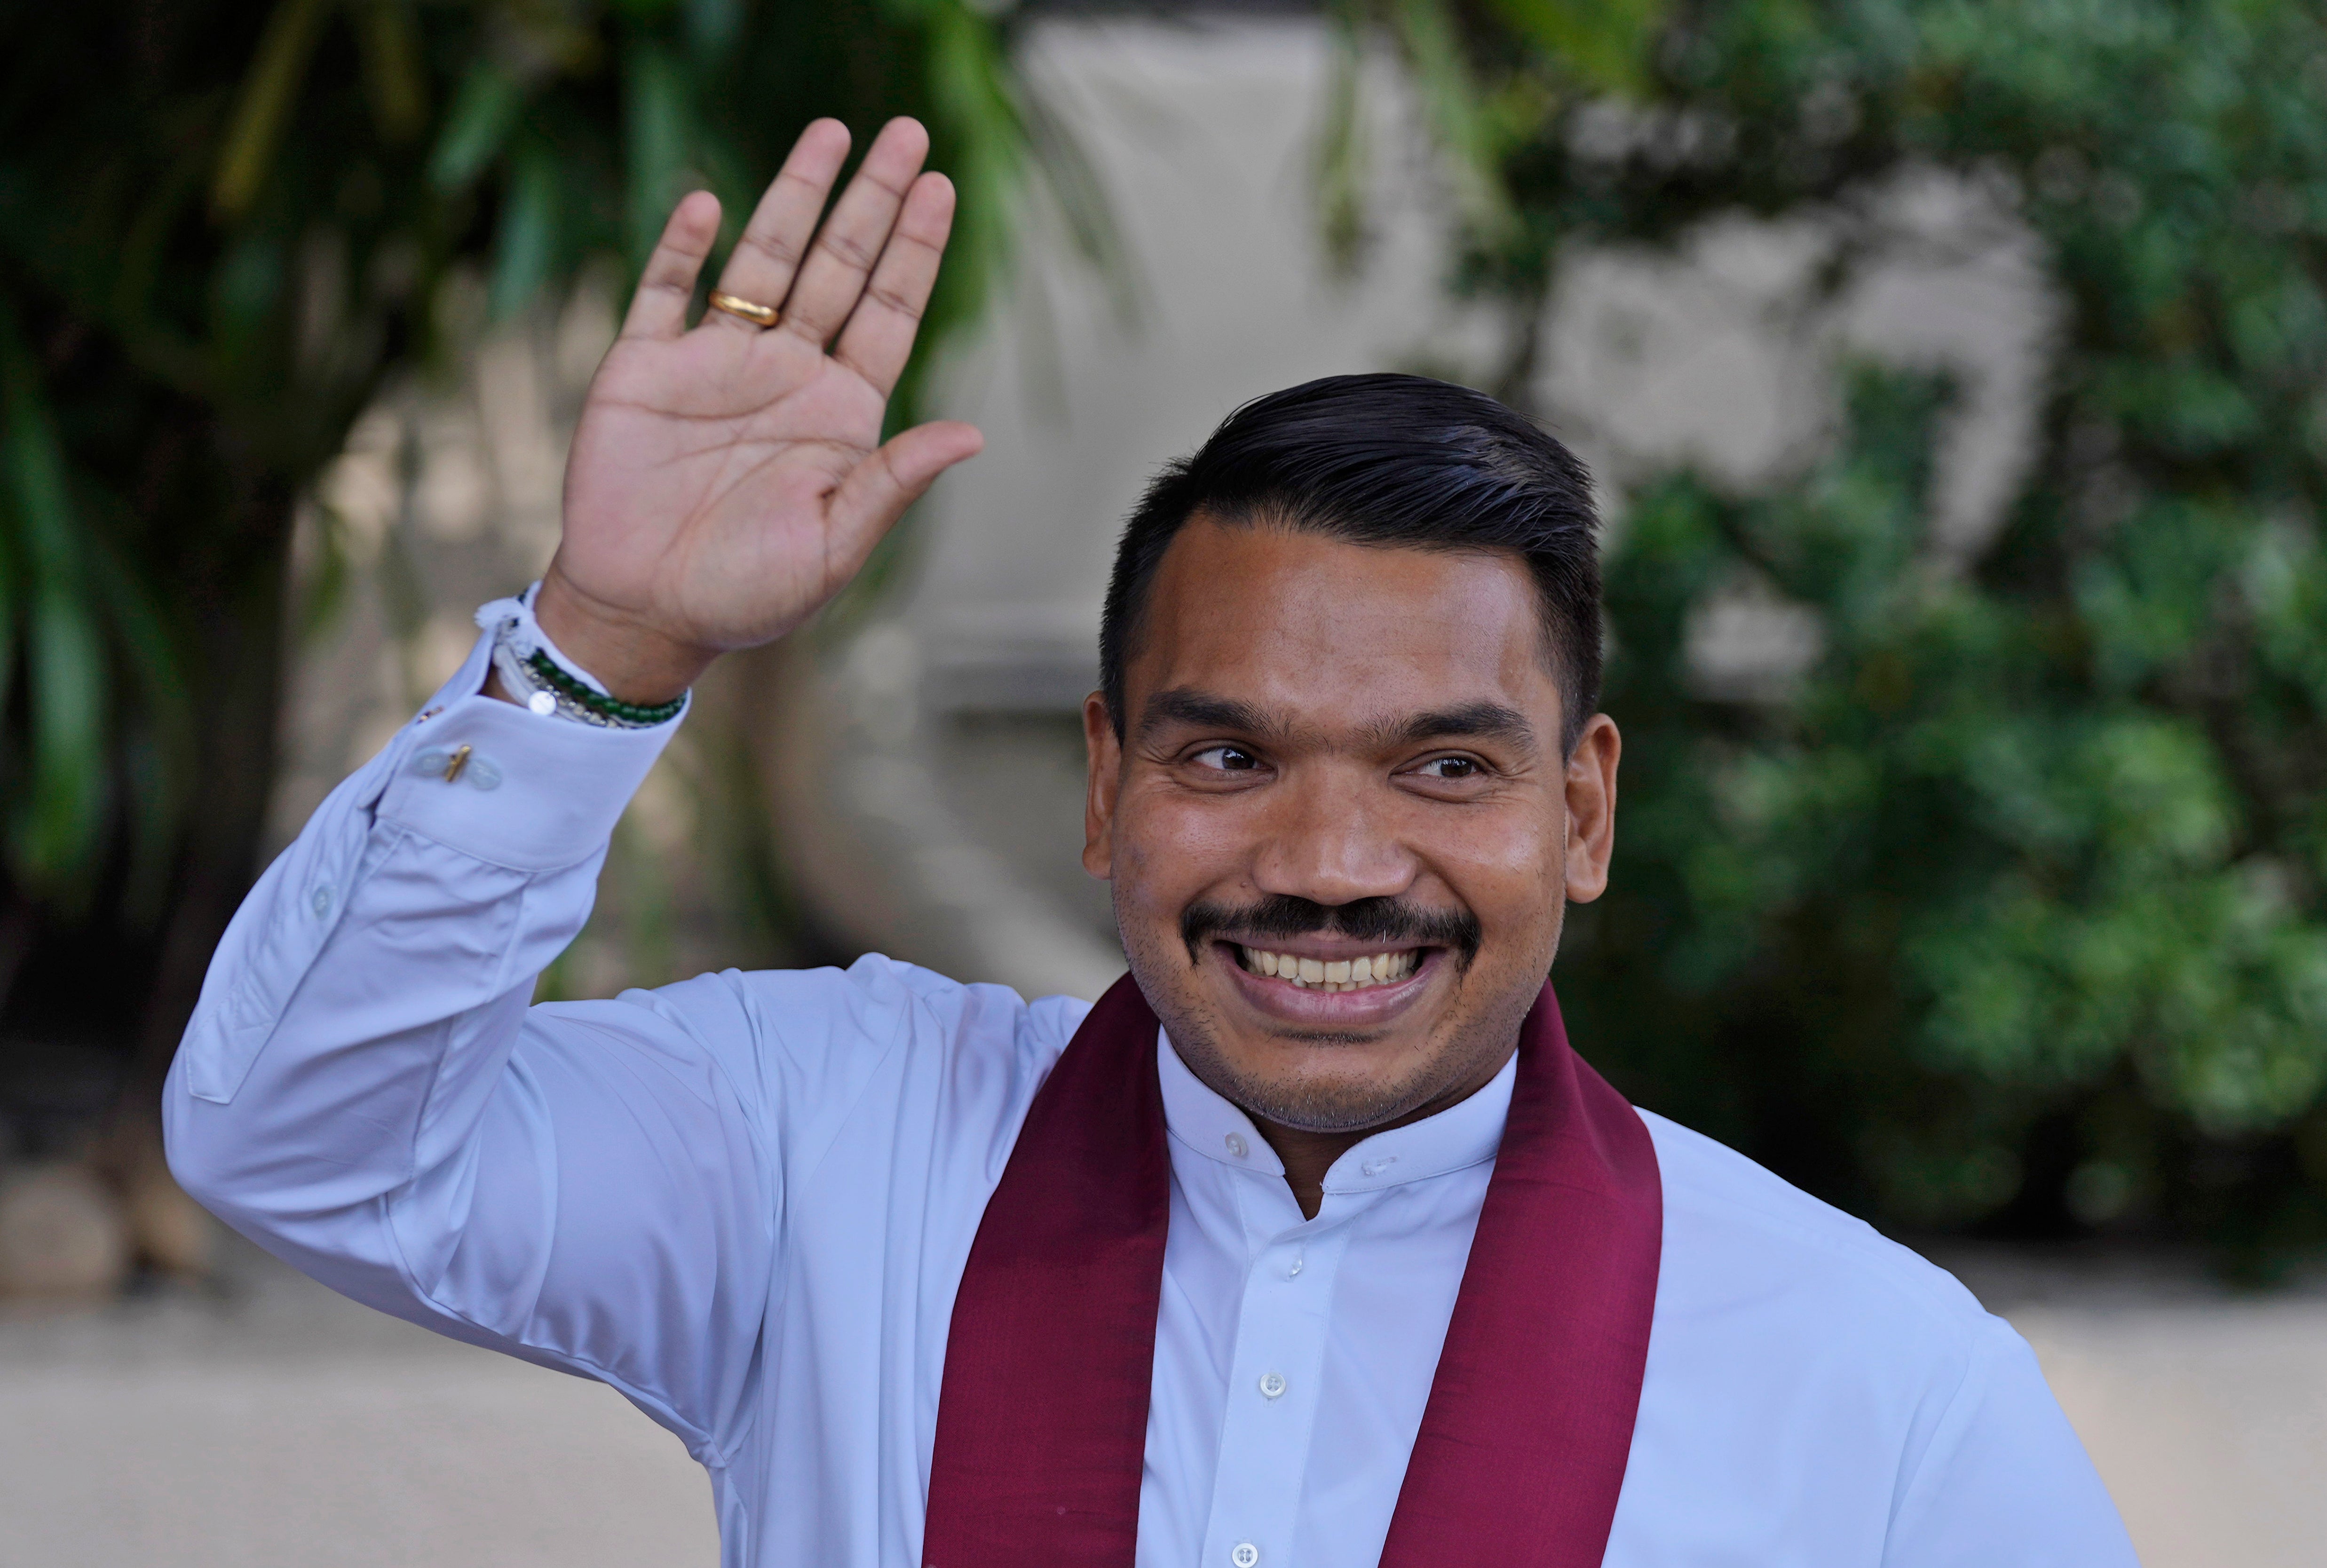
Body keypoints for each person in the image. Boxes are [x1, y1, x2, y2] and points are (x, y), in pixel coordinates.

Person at [164, 117, 2139, 1568]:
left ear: (1583, 806)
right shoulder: (828, 1151)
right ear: (1104, 787)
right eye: (1228, 757)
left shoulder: (1878, 1386)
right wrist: (601, 648)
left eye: (1443, 768)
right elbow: (297, 1139)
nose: (1330, 859)